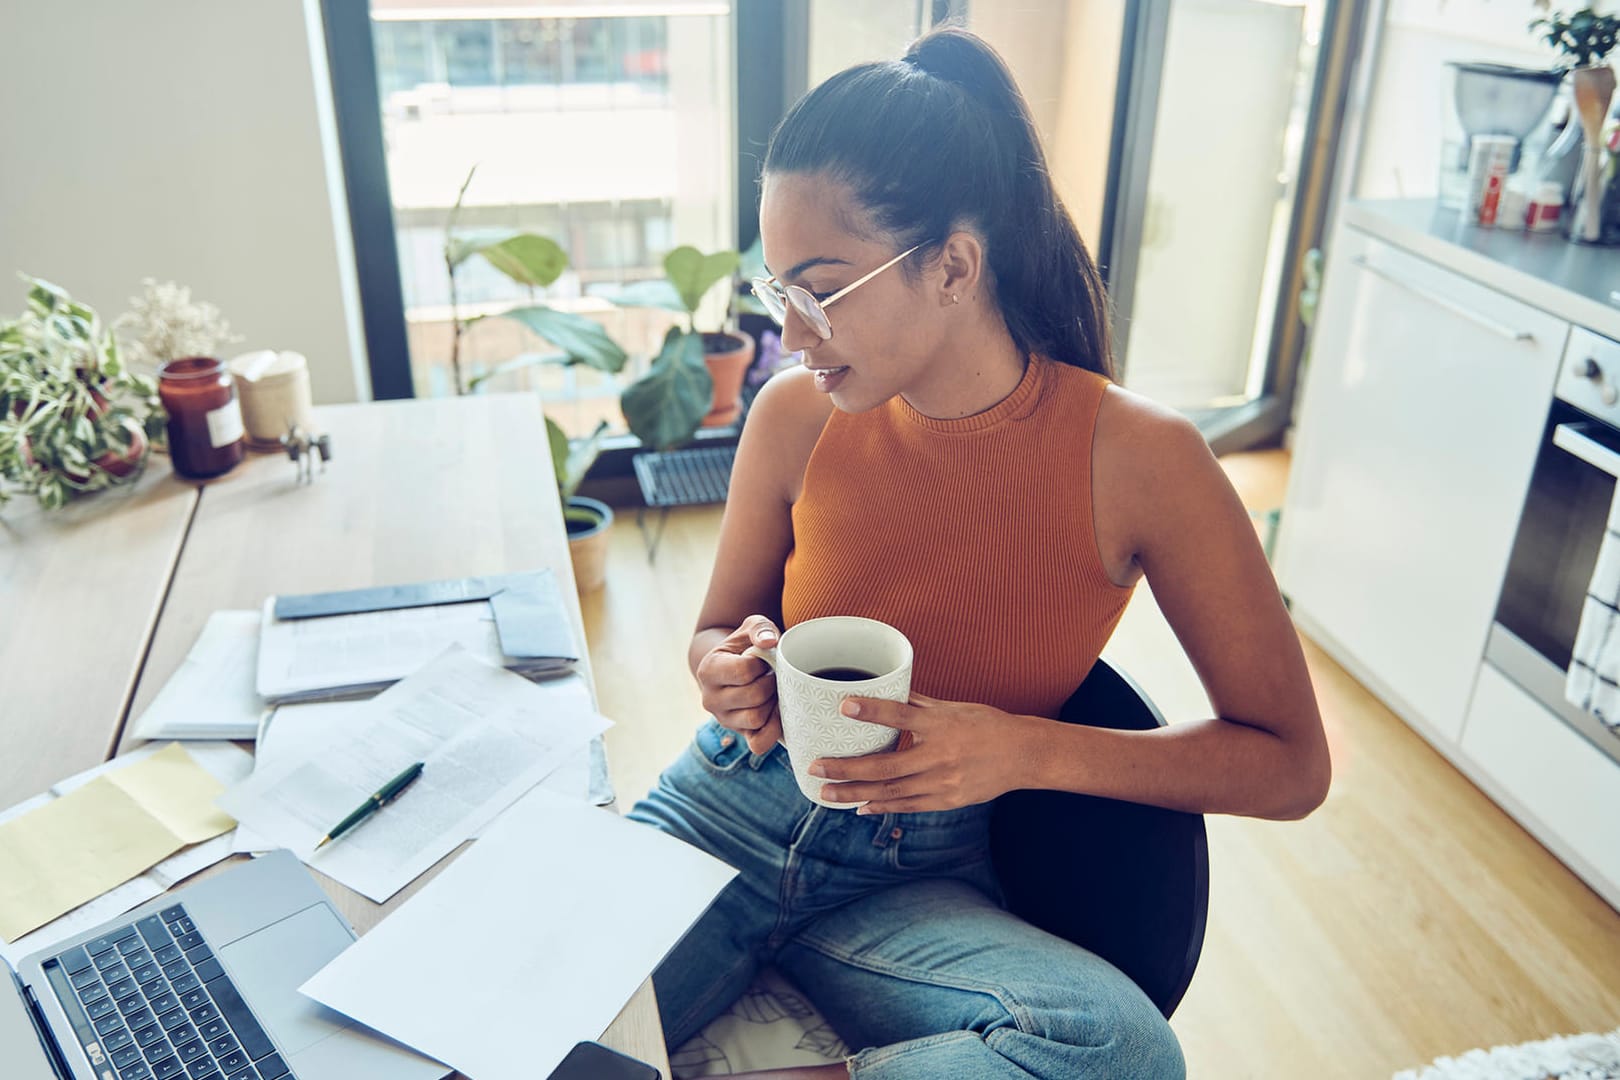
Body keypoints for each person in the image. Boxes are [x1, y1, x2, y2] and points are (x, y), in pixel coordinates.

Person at [626, 25, 1330, 1080]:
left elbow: (1291, 765)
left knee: (1123, 1051)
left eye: (820, 289)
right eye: (778, 293)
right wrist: (725, 669)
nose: (793, 332)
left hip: (910, 881)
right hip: (722, 812)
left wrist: (1024, 750)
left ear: (953, 266)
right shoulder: (792, 417)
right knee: (492, 1026)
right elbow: (714, 631)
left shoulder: (1143, 462)